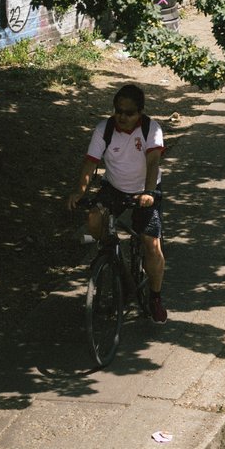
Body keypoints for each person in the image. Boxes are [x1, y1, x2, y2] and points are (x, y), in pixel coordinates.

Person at [67, 83, 168, 323]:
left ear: (140, 112)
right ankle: (112, 260)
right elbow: (90, 164)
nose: (122, 116)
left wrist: (149, 192)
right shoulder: (104, 129)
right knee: (94, 219)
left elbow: (153, 163)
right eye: (118, 111)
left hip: (144, 190)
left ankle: (155, 299)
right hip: (113, 187)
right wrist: (79, 192)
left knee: (151, 244)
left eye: (129, 112)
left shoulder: (151, 130)